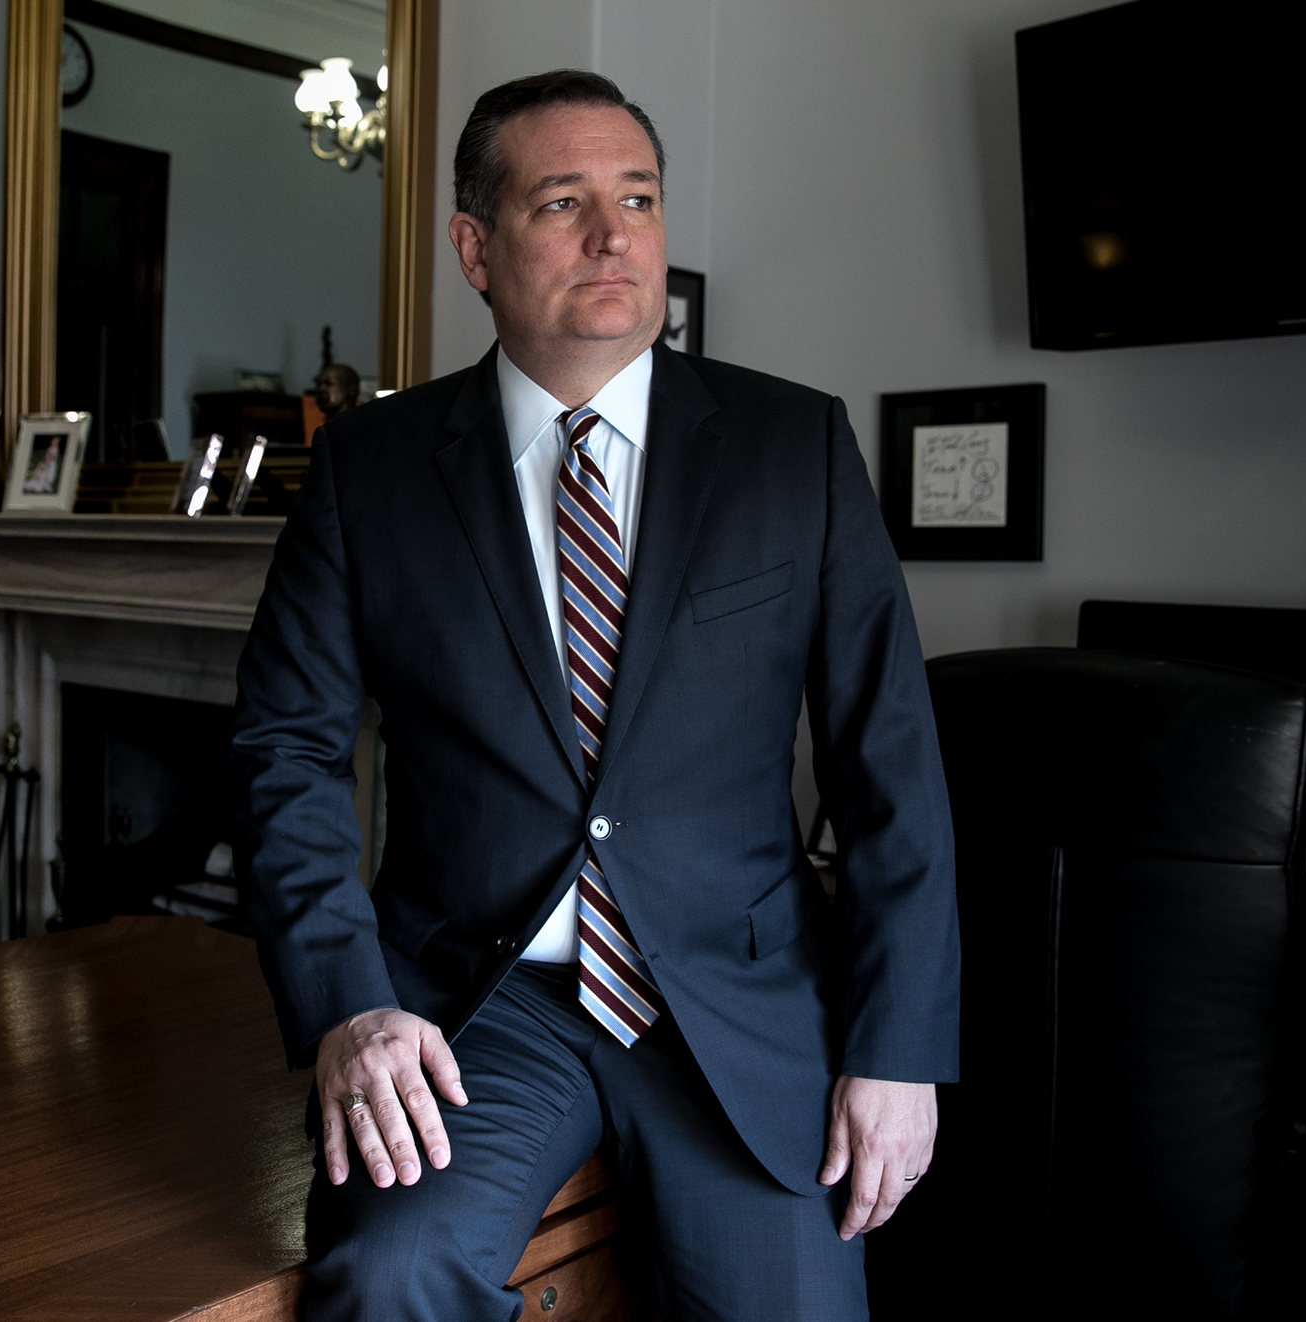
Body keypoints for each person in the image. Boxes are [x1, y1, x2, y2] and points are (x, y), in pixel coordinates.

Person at [230, 69, 959, 1321]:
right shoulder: (371, 470)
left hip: (735, 1005)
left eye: (639, 197)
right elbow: (283, 749)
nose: (614, 234)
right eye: (564, 201)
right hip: (478, 1003)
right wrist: (349, 1001)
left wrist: (896, 1051)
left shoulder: (796, 450)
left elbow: (888, 764)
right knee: (386, 1277)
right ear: (474, 244)